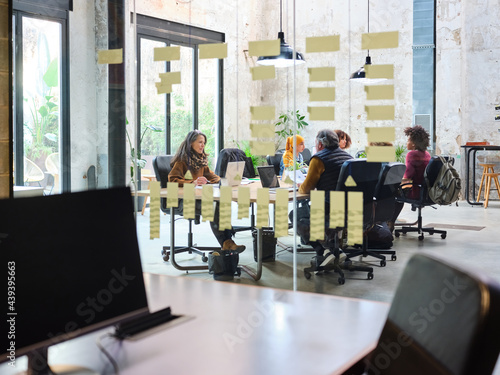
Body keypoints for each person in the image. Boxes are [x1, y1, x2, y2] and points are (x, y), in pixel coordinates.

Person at [169, 130, 245, 253]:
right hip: (183, 201)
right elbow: (172, 180)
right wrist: (193, 182)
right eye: (200, 142)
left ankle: (228, 242)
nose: (202, 145)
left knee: (220, 203)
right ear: (190, 143)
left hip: (197, 197)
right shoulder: (182, 161)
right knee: (213, 207)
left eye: (204, 142)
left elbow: (212, 176)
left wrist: (223, 181)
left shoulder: (200, 161)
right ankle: (226, 242)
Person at [294, 129, 353, 265]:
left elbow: (307, 188)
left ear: (320, 144)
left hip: (329, 209)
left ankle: (322, 252)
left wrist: (300, 185)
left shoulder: (319, 158)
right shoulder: (348, 157)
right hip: (348, 210)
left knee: (296, 215)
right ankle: (335, 250)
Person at [389, 125, 431, 231]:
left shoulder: (412, 155)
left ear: (413, 143)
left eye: (408, 140)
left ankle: (390, 222)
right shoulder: (427, 154)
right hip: (427, 192)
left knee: (392, 193)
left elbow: (407, 176)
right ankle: (389, 222)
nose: (406, 142)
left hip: (416, 191)